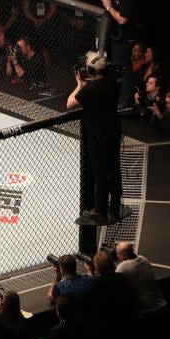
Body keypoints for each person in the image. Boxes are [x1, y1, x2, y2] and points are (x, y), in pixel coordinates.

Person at [67, 51, 123, 225]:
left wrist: (79, 84)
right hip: (113, 132)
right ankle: (114, 207)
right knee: (114, 168)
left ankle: (100, 211)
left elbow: (69, 104)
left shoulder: (89, 90)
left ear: (90, 72)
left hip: (97, 137)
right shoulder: (112, 82)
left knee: (100, 173)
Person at [99, 0, 138, 110]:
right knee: (117, 69)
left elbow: (122, 19)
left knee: (125, 71)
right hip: (117, 39)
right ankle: (119, 98)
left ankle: (126, 102)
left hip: (125, 39)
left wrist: (109, 7)